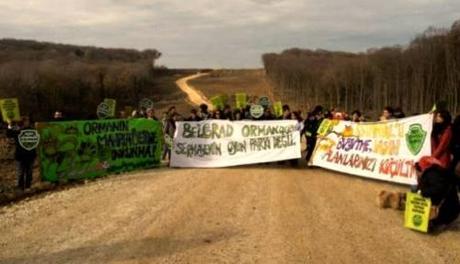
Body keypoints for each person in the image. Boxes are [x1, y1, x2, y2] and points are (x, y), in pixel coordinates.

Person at [378, 156, 459, 231]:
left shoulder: (431, 175)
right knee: (416, 190)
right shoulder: (438, 173)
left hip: (447, 212)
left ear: (421, 169)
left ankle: (438, 222)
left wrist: (422, 193)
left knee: (428, 226)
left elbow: (438, 189)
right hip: (452, 207)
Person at [7, 117, 37, 191]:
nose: (27, 123)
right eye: (25, 121)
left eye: (28, 121)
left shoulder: (33, 130)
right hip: (20, 156)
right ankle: (20, 188)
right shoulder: (18, 131)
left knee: (29, 173)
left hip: (30, 155)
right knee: (20, 173)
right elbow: (9, 134)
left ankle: (28, 187)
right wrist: (10, 125)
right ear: (22, 122)